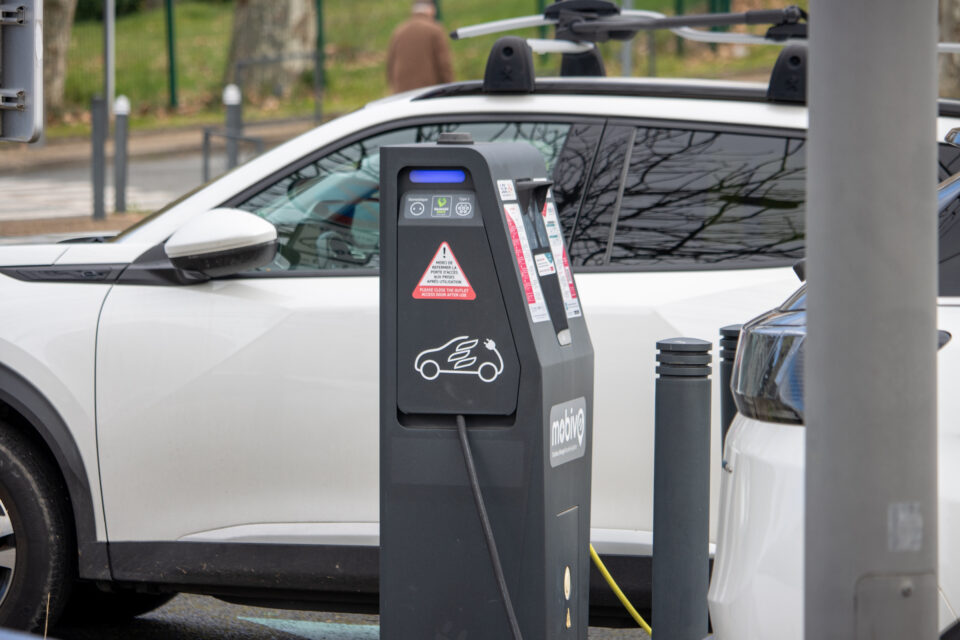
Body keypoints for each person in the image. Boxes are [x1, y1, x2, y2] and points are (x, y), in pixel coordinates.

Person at [387, 2, 454, 93]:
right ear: (430, 9)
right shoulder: (435, 30)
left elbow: (390, 66)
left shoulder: (399, 31)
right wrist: (450, 89)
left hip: (402, 95)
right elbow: (444, 66)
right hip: (428, 93)